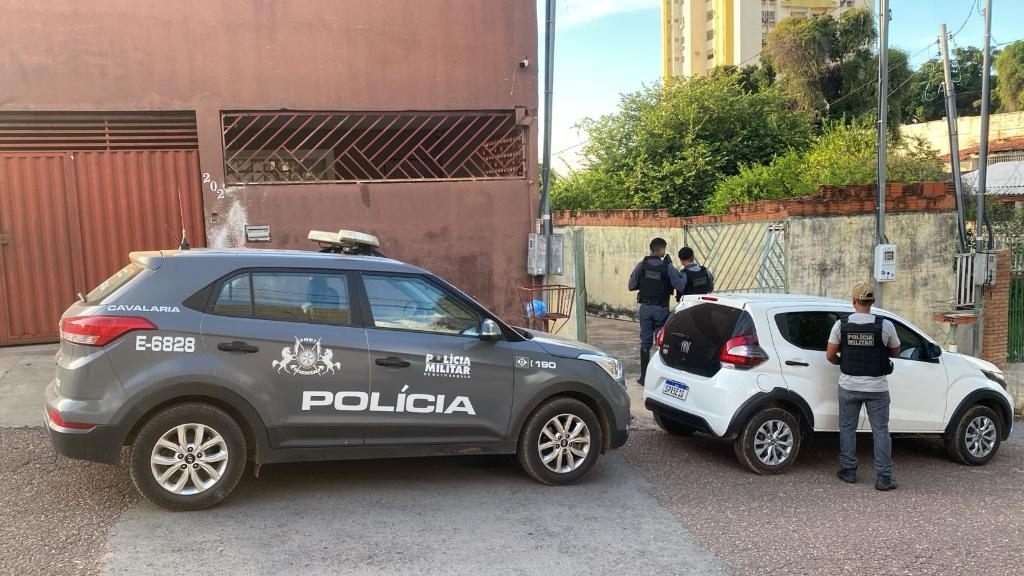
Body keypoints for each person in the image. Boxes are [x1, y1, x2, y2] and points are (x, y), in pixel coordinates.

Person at [825, 282, 901, 492]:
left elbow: (830, 355)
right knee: (881, 431)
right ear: (872, 301)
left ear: (853, 301)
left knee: (847, 428)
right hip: (877, 388)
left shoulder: (841, 325)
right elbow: (896, 352)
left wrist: (843, 362)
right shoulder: (885, 325)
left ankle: (848, 471)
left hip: (848, 385)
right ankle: (884, 478)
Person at [628, 237, 686, 385]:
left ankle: (644, 377)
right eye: (664, 249)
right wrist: (676, 270)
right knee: (661, 341)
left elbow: (631, 285)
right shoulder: (667, 267)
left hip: (645, 309)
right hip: (661, 309)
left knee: (645, 342)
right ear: (661, 249)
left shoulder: (641, 265)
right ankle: (659, 377)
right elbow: (680, 286)